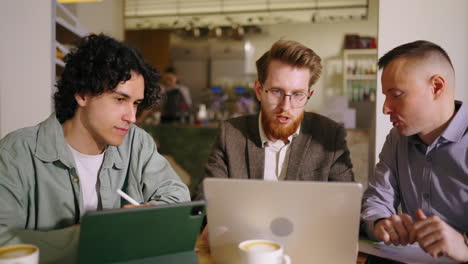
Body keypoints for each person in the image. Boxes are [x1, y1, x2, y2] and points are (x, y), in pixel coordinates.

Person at [0, 34, 190, 262]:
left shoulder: (137, 142)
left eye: (136, 104)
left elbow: (177, 196)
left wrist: (144, 214)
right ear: (82, 94)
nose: (132, 117)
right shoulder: (17, 152)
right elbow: (4, 238)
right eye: (120, 99)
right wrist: (103, 232)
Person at [198, 39, 354, 198]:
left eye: (298, 94)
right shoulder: (231, 135)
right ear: (259, 91)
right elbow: (205, 200)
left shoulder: (330, 137)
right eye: (276, 91)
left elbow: (348, 204)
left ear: (308, 96)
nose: (285, 107)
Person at [361, 40, 468, 262]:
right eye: (385, 96)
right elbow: (377, 198)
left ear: (437, 87)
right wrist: (382, 223)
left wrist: (463, 245)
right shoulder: (397, 139)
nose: (385, 108)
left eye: (396, 94)